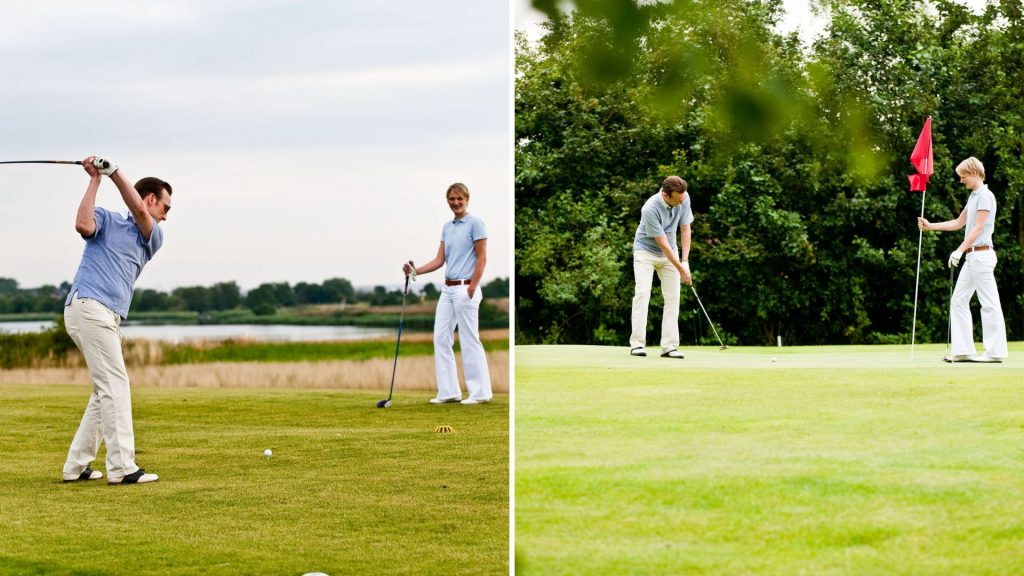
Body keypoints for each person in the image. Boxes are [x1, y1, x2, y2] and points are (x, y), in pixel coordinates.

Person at [61, 156, 172, 484]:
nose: (165, 216)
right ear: (151, 198)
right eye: (165, 208)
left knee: (103, 390)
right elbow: (83, 225)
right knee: (116, 384)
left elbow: (138, 212)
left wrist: (113, 173)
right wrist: (97, 178)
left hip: (106, 314)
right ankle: (123, 468)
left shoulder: (150, 236)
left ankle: (76, 466)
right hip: (88, 306)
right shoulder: (106, 220)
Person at [403, 183, 493, 405]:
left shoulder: (476, 224)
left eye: (459, 199)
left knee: (469, 339)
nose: (455, 203)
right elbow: (439, 260)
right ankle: (449, 392)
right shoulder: (447, 227)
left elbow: (482, 258)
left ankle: (480, 392)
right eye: (452, 199)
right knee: (441, 338)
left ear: (467, 199)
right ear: (448, 201)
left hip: (466, 288)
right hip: (448, 289)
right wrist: (416, 272)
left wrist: (472, 287)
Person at [918, 156, 1007, 363]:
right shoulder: (974, 196)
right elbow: (959, 223)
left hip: (982, 255)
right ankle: (964, 350)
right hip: (972, 257)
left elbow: (979, 228)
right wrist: (931, 226)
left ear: (974, 173)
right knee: (958, 300)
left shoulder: (986, 195)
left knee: (989, 303)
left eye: (963, 176)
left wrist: (958, 250)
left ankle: (995, 353)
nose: (961, 180)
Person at [630, 176, 693, 359]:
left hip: (671, 252)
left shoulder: (683, 197)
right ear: (665, 195)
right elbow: (662, 243)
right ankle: (637, 344)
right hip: (645, 252)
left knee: (673, 297)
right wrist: (681, 268)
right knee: (643, 293)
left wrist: (685, 261)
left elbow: (685, 229)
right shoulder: (650, 208)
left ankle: (669, 346)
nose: (682, 201)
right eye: (678, 200)